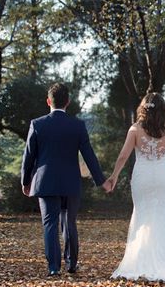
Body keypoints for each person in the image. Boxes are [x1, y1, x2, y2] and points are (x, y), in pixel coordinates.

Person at [21, 83, 113, 276]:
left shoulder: (37, 124)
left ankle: (54, 267)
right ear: (68, 102)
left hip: (45, 183)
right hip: (71, 182)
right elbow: (89, 155)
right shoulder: (77, 126)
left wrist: (25, 181)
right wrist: (101, 180)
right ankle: (71, 264)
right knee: (69, 222)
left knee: (50, 224)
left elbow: (28, 156)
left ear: (48, 101)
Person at [108, 92, 165, 282]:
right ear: (163, 110)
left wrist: (114, 176)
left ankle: (139, 261)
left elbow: (123, 156)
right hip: (163, 176)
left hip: (142, 177)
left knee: (142, 216)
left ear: (143, 109)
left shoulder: (134, 129)